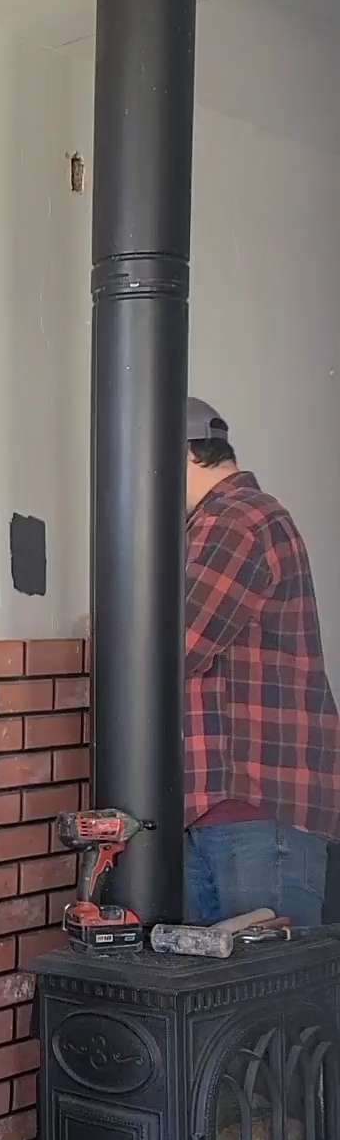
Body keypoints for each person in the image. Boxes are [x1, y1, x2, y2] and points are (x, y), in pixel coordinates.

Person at [184, 397, 340, 926]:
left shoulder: (234, 521)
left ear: (185, 455)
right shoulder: (233, 519)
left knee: (267, 1003)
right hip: (234, 814)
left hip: (251, 813)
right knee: (236, 1002)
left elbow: (175, 645)